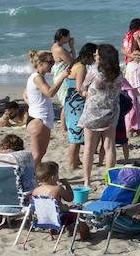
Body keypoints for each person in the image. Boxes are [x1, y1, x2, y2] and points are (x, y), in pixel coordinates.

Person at [77, 44, 122, 187]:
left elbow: (82, 89)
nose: (95, 56)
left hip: (93, 112)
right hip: (111, 110)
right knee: (109, 146)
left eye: (97, 55)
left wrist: (85, 93)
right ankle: (109, 179)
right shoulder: (118, 72)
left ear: (103, 57)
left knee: (89, 147)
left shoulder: (94, 71)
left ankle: (87, 180)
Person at [25, 50, 66, 162]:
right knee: (37, 155)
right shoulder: (37, 77)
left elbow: (25, 94)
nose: (52, 65)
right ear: (40, 63)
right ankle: (31, 178)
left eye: (53, 62)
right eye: (50, 62)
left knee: (40, 153)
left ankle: (35, 177)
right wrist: (62, 77)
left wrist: (33, 104)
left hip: (37, 117)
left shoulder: (35, 77)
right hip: (39, 120)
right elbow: (49, 93)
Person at [62, 43, 97, 172]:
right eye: (94, 55)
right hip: (76, 104)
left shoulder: (74, 64)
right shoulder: (81, 67)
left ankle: (75, 161)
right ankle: (72, 164)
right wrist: (90, 97)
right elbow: (79, 88)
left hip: (70, 101)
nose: (94, 58)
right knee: (75, 137)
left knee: (75, 135)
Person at [51, 28, 76, 107]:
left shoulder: (55, 46)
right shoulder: (60, 49)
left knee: (65, 103)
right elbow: (73, 63)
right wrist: (72, 46)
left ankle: (63, 119)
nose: (69, 38)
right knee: (66, 103)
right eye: (68, 36)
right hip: (62, 76)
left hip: (59, 75)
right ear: (63, 37)